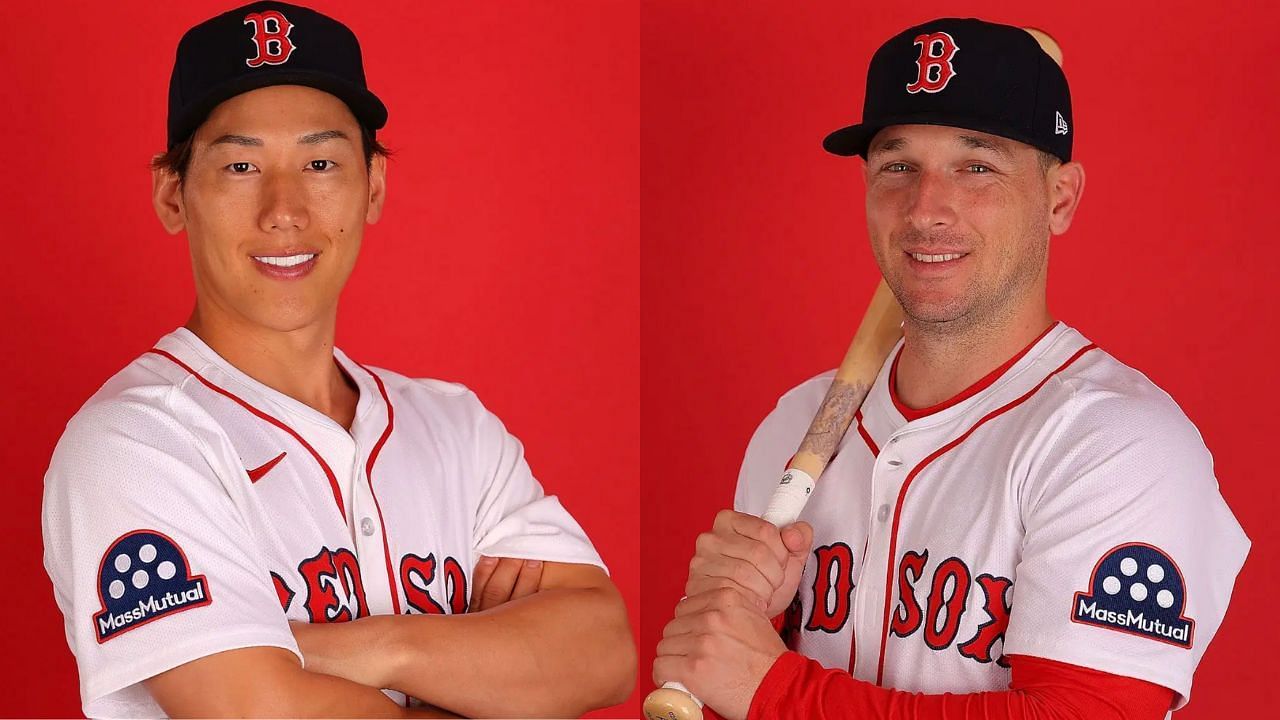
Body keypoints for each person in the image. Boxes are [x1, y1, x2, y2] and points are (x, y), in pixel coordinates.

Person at [41, 2, 634, 717]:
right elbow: (254, 710)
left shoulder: (457, 429)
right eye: (240, 165)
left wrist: (366, 648)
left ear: (373, 184)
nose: (284, 209)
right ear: (174, 194)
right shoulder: (134, 445)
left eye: (321, 162)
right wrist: (488, 673)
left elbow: (604, 652)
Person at [652, 17, 1248, 720]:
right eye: (898, 166)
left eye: (977, 167)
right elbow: (727, 690)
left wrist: (774, 689)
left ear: (1060, 199)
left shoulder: (1120, 445)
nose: (926, 209)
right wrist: (742, 637)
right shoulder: (794, 424)